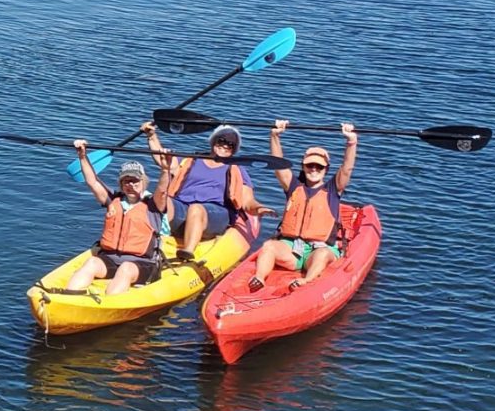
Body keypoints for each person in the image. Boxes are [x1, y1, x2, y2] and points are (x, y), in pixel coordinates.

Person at [245, 120, 359, 292]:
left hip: (319, 249)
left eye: (319, 166)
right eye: (310, 165)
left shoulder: (333, 189)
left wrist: (351, 141)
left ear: (326, 169)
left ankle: (307, 280)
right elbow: (278, 165)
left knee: (322, 255)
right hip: (291, 249)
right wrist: (274, 136)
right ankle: (259, 277)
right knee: (269, 246)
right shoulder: (293, 186)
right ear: (303, 166)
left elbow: (347, 169)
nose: (314, 169)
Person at [147, 121, 274, 258]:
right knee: (161, 200)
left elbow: (247, 200)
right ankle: (144, 240)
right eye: (222, 141)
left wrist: (259, 208)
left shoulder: (236, 169)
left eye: (230, 144)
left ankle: (187, 253)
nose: (225, 146)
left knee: (196, 209)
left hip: (215, 213)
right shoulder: (192, 160)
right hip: (183, 207)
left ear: (234, 150)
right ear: (213, 141)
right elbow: (163, 161)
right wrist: (151, 136)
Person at [64, 144, 173, 295]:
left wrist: (165, 170)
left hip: (142, 264)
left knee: (126, 269)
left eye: (135, 180)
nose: (131, 185)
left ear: (143, 182)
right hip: (110, 259)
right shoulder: (112, 200)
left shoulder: (153, 205)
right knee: (92, 263)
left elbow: (162, 190)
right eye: (126, 181)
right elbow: (92, 182)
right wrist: (82, 156)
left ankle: (108, 304)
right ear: (121, 184)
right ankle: (68, 296)